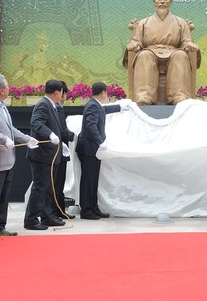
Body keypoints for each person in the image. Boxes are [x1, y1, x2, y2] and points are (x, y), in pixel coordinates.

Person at [0, 74, 38, 236]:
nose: (9, 89)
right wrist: (3, 139)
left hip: (7, 159)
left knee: (3, 197)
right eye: (8, 86)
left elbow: (12, 130)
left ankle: (0, 226)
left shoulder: (1, 105)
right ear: (2, 90)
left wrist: (28, 139)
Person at [123, 0, 200, 105]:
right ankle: (145, 96)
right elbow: (136, 41)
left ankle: (178, 96)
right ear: (154, 2)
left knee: (181, 55)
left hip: (173, 51)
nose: (162, 1)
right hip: (150, 51)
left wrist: (189, 45)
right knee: (144, 55)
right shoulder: (144, 22)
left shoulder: (180, 22)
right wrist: (134, 44)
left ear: (170, 1)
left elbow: (186, 41)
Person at [76, 82, 130, 219]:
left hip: (92, 149)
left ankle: (93, 208)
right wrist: (100, 142)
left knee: (93, 180)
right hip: (89, 148)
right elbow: (91, 125)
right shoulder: (93, 106)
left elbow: (103, 110)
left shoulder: (95, 105)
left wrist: (119, 107)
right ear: (103, 93)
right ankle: (87, 210)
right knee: (88, 180)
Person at [24, 79, 67, 230]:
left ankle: (47, 216)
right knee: (40, 187)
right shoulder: (43, 104)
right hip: (42, 155)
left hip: (51, 154)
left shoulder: (52, 106)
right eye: (61, 92)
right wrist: (50, 134)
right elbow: (36, 123)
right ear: (57, 92)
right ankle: (31, 219)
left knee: (48, 187)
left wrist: (62, 143)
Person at [52, 80, 75, 220]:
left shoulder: (54, 107)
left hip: (57, 151)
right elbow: (63, 130)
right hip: (60, 151)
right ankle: (58, 210)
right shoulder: (58, 108)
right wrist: (75, 136)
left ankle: (59, 210)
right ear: (63, 94)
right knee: (58, 183)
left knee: (58, 183)